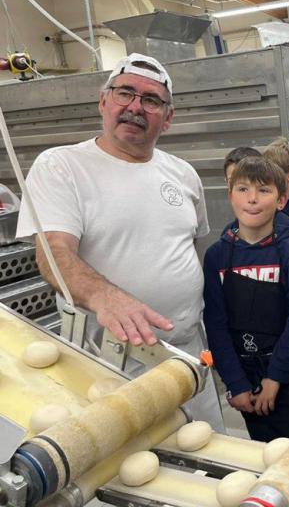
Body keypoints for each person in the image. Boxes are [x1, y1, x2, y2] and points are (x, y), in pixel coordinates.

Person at [15, 53, 223, 429]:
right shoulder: (62, 166)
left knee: (209, 454)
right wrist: (106, 296)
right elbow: (53, 253)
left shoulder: (184, 174)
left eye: (151, 100)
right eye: (125, 93)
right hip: (108, 360)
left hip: (186, 353)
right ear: (103, 100)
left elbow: (187, 248)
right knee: (124, 469)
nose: (135, 107)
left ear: (168, 118)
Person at [202, 157, 289, 442]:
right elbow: (215, 324)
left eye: (263, 190)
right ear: (230, 196)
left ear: (281, 200)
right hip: (244, 380)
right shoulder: (217, 256)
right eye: (242, 189)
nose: (252, 199)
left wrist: (275, 377)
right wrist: (235, 383)